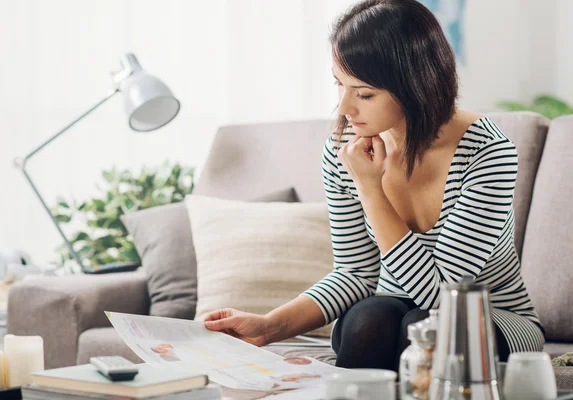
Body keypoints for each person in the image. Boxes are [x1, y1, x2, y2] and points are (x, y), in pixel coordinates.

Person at [204, 0, 545, 372]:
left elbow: (441, 299)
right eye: (340, 84)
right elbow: (356, 273)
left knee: (427, 329)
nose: (344, 107)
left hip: (488, 315)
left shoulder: (488, 153)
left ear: (416, 85)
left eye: (364, 93)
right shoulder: (344, 150)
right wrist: (271, 326)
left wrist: (371, 190)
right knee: (368, 322)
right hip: (390, 307)